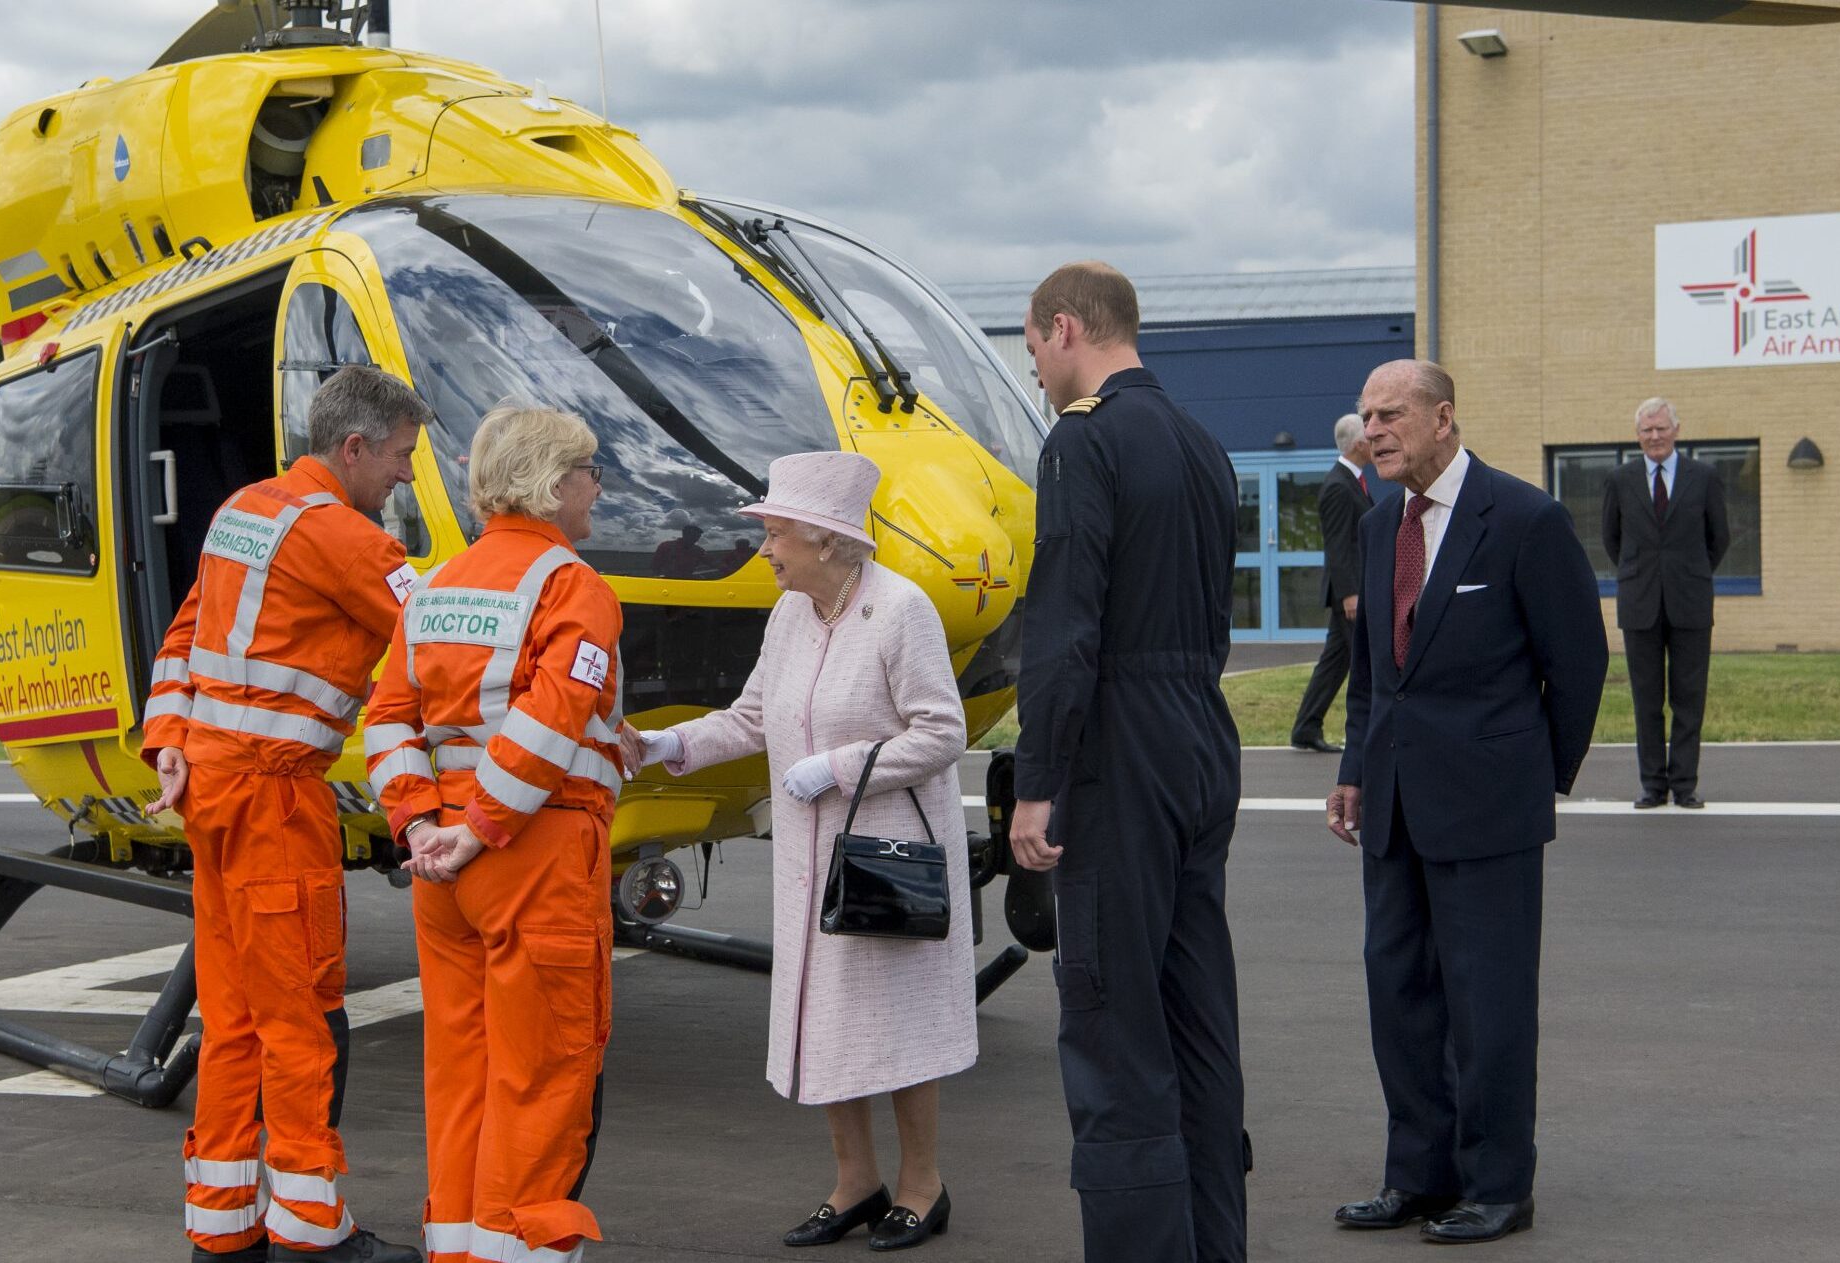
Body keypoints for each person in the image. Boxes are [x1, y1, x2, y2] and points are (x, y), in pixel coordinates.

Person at [629, 451, 976, 1253]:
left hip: (885, 851)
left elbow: (943, 732)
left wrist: (840, 764)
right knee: (826, 1017)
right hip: (809, 859)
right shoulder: (789, 616)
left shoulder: (900, 610)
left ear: (825, 539)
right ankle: (856, 1181)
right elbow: (751, 718)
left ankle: (924, 1185)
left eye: (776, 532)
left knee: (897, 1021)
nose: (765, 548)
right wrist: (661, 743)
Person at [141, 365, 432, 1263]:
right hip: (273, 798)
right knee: (303, 1017)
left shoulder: (241, 513)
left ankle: (222, 1233)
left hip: (213, 798)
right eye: (399, 457)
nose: (406, 478)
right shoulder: (343, 539)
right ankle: (314, 1235)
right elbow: (447, 638)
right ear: (353, 447)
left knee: (232, 1022)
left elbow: (185, 636)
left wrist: (169, 738)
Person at [1324, 360, 1606, 1245]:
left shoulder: (1524, 518)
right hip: (1395, 809)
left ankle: (1497, 1184)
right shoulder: (1380, 526)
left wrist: (1528, 776)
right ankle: (1419, 1173)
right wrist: (1354, 768)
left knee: (1487, 1005)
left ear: (1444, 418)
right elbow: (1375, 672)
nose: (1375, 429)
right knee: (1399, 995)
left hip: (1490, 815)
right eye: (1368, 415)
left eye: (1392, 413)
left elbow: (1579, 665)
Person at [1006, 261, 1248, 1263]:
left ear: (1065, 328)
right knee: (1196, 1015)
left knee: (1110, 1021)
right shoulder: (1200, 444)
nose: (1035, 375)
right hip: (1198, 728)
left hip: (1121, 745)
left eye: (1031, 352)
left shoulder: (1084, 440)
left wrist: (1037, 782)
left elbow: (1064, 630)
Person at [361, 406, 627, 1263]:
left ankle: (458, 1247)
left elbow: (387, 719)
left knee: (462, 1077)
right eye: (589, 469)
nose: (597, 485)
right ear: (554, 483)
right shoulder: (572, 586)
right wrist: (479, 827)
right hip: (533, 855)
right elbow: (551, 722)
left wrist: (420, 821)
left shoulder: (435, 587)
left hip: (447, 873)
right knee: (545, 1076)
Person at [1600, 397, 1729, 809]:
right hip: (1640, 604)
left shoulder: (1703, 476)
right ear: (1637, 435)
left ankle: (1685, 784)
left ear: (1676, 430)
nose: (1654, 436)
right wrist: (1643, 575)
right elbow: (1611, 540)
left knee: (1689, 698)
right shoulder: (1620, 480)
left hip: (1690, 601)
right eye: (1646, 430)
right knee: (1647, 699)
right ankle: (1653, 786)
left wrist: (1689, 573)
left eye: (1660, 428)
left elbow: (1719, 538)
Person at [1290, 413, 1377, 754]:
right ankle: (1371, 734)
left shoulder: (1350, 482)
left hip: (1350, 591)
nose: (1375, 441)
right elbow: (1339, 545)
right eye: (1370, 438)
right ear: (1358, 445)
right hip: (1350, 594)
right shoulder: (1339, 486)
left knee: (1334, 663)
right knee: (1366, 666)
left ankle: (1305, 727)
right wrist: (1351, 594)